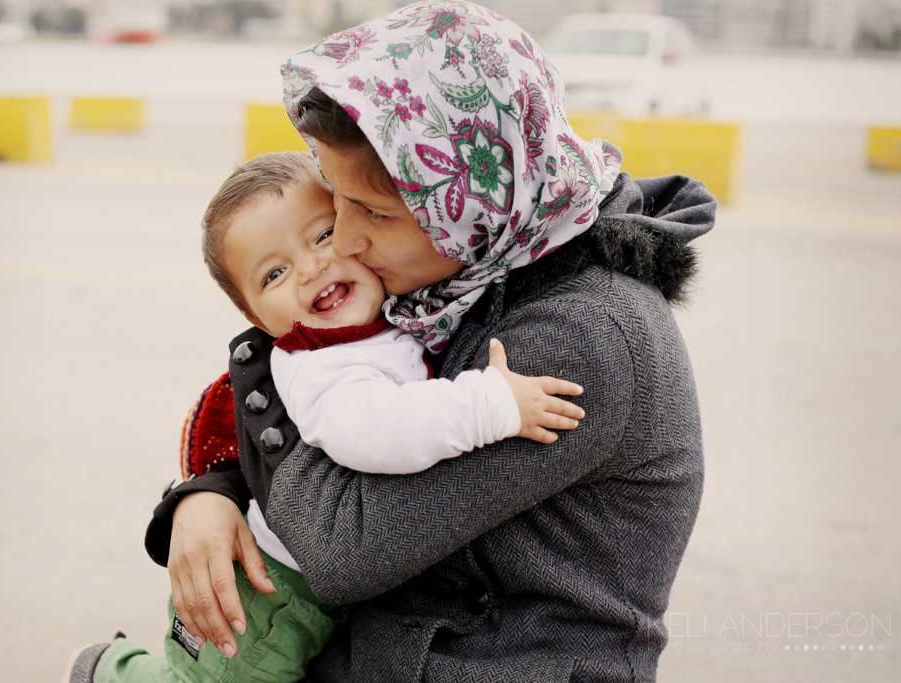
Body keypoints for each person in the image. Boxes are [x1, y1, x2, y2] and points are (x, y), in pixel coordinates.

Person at [147, 1, 716, 680]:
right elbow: (340, 382)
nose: (346, 240)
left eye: (374, 213)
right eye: (337, 200)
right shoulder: (464, 276)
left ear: (468, 198)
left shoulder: (584, 337)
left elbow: (341, 545)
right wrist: (207, 492)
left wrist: (263, 370)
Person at [65, 150, 586, 682]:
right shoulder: (316, 366)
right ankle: (110, 672)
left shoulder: (392, 319)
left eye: (322, 235)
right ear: (255, 318)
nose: (312, 267)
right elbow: (376, 429)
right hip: (263, 596)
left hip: (324, 591)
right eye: (274, 273)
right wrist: (490, 405)